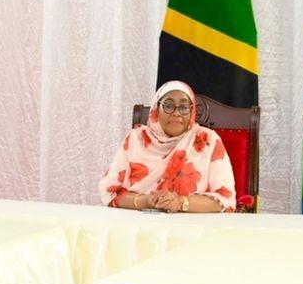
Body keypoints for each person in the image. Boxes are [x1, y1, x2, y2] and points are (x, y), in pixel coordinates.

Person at [99, 80, 236, 212]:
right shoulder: (136, 138)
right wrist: (146, 202)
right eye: (169, 106)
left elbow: (225, 199)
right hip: (139, 223)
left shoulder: (208, 140)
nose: (176, 113)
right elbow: (110, 192)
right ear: (156, 109)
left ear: (192, 112)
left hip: (193, 227)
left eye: (183, 107)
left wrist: (180, 203)